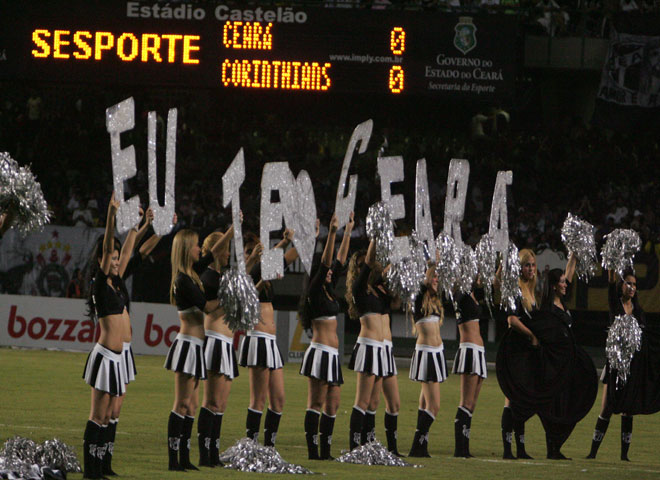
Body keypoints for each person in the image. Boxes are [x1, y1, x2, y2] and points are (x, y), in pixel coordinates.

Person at [104, 207, 175, 476]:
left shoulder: (120, 280)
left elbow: (141, 253)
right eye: (113, 257)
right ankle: (99, 462)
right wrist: (138, 227)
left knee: (116, 411)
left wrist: (155, 228)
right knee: (106, 410)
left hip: (125, 352)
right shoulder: (105, 281)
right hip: (111, 351)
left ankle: (107, 462)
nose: (118, 261)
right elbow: (130, 251)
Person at [164, 227, 229, 471]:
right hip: (187, 346)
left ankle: (184, 457)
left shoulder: (191, 275)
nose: (198, 249)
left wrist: (232, 229)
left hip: (196, 346)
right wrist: (229, 296)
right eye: (194, 245)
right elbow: (208, 307)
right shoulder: (183, 280)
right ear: (184, 250)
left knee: (190, 406)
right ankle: (173, 460)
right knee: (181, 403)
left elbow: (212, 253)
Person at [197, 224, 261, 466]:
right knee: (211, 401)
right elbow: (216, 300)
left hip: (226, 341)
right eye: (224, 250)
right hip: (214, 339)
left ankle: (213, 452)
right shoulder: (207, 275)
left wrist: (253, 260)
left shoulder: (222, 275)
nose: (227, 254)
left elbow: (239, 284)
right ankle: (205, 453)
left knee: (221, 403)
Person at [82, 193, 135, 479]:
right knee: (97, 415)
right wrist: (112, 216)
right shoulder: (100, 285)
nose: (116, 260)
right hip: (104, 357)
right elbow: (109, 244)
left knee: (106, 417)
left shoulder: (115, 285)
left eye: (116, 258)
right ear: (103, 259)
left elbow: (126, 253)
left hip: (116, 358)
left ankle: (101, 468)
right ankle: (91, 471)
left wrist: (137, 227)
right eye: (111, 258)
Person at [299, 213, 353, 459]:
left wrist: (348, 231)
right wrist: (331, 233)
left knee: (333, 406)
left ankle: (326, 452)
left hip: (333, 356)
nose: (331, 272)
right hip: (320, 353)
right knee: (316, 404)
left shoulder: (330, 290)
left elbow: (340, 260)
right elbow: (326, 263)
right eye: (327, 271)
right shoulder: (315, 290)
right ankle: (313, 453)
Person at [239, 229, 297, 447]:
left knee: (278, 399)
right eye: (248, 251)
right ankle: (251, 446)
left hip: (271, 342)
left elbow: (290, 257)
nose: (252, 254)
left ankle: (269, 447)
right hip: (257, 338)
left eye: (254, 250)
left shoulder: (263, 270)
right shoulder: (247, 273)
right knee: (258, 399)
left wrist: (301, 238)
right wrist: (284, 241)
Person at [586, 269, 645, 461]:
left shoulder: (638, 311)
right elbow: (611, 282)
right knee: (606, 408)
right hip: (614, 365)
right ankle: (593, 453)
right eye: (628, 283)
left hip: (631, 368)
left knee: (629, 409)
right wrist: (612, 263)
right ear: (621, 285)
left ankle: (624, 455)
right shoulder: (615, 303)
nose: (632, 287)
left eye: (634, 284)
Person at [346, 239, 387, 450]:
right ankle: (354, 448)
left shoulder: (375, 289)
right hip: (368, 346)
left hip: (379, 349)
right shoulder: (358, 287)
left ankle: (368, 444)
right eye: (360, 265)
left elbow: (390, 270)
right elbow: (371, 261)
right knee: (362, 401)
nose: (365, 267)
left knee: (373, 403)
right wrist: (375, 237)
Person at [501, 248, 538, 459]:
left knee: (520, 400)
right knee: (511, 399)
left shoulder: (530, 288)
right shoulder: (515, 288)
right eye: (527, 265)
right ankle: (508, 450)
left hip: (524, 351)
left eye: (533, 265)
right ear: (520, 267)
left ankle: (520, 449)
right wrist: (531, 335)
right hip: (514, 350)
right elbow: (511, 319)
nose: (531, 269)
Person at [408, 263, 446, 457]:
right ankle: (417, 446)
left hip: (437, 353)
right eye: (434, 277)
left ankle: (421, 446)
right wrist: (431, 262)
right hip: (427, 353)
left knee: (425, 405)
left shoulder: (434, 300)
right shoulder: (417, 299)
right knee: (434, 405)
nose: (436, 280)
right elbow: (422, 285)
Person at [452, 279, 487, 458]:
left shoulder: (472, 293)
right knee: (466, 402)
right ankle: (460, 449)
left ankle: (465, 448)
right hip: (469, 350)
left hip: (479, 351)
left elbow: (492, 285)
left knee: (471, 405)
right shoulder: (461, 294)